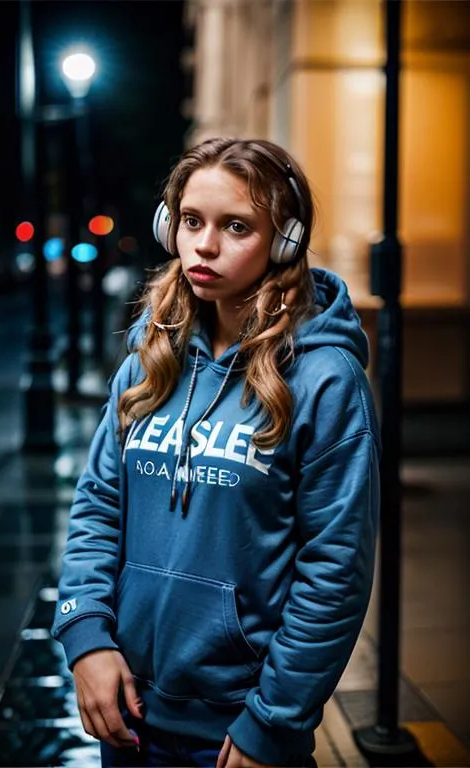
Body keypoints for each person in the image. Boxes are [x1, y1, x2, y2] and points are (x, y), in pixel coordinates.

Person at [52, 137, 380, 768]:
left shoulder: (324, 380)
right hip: (128, 715)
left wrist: (274, 722)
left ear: (284, 240)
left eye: (236, 226)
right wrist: (86, 638)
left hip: (239, 731)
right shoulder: (150, 361)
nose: (204, 245)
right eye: (191, 221)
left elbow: (335, 571)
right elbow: (97, 509)